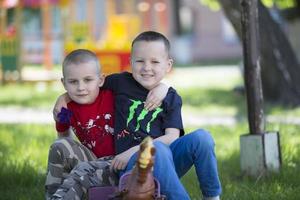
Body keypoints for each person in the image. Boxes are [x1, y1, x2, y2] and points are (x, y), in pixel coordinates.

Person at [52, 31, 222, 200]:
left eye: (155, 62)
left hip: (165, 162)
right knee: (158, 150)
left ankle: (212, 196)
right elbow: (88, 83)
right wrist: (63, 98)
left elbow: (172, 137)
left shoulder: (171, 97)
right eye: (140, 61)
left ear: (168, 65)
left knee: (202, 137)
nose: (147, 67)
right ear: (130, 62)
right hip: (129, 166)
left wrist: (164, 88)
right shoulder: (121, 82)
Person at [45, 49, 167, 200]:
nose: (81, 87)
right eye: (73, 82)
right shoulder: (66, 108)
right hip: (94, 161)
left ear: (101, 80)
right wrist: (61, 106)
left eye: (88, 80)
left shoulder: (114, 95)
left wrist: (163, 88)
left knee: (83, 170)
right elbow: (64, 139)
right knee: (59, 145)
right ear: (64, 83)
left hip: (123, 163)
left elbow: (145, 85)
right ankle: (54, 196)